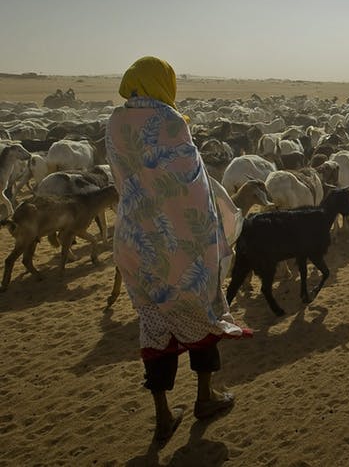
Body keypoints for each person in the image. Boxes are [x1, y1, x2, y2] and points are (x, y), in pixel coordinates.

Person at [105, 56, 250, 443]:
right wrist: (212, 231)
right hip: (179, 242)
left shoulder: (115, 122)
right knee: (201, 312)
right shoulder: (171, 122)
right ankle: (205, 396)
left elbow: (128, 179)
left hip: (136, 241)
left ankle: (163, 415)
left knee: (153, 322)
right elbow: (193, 185)